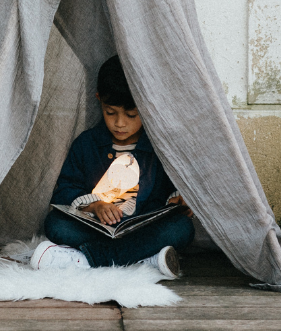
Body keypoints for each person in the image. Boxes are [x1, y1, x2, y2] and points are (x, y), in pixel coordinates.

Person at [31, 55, 193, 279]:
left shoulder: (158, 147)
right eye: (110, 112)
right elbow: (65, 190)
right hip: (96, 230)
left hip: (142, 230)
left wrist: (177, 199)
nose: (120, 123)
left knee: (182, 228)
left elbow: (171, 187)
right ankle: (145, 258)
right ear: (99, 100)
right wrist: (95, 206)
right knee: (55, 225)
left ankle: (88, 260)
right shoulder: (86, 144)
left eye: (131, 115)